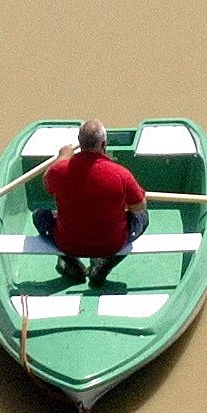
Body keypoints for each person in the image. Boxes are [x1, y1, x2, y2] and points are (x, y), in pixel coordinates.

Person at [37, 119, 147, 287]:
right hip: (111, 245)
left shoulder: (60, 170)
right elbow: (139, 207)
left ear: (79, 142)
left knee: (39, 215)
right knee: (143, 217)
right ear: (104, 143)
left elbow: (46, 184)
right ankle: (101, 270)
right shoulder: (121, 174)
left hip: (68, 244)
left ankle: (74, 267)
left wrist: (62, 156)